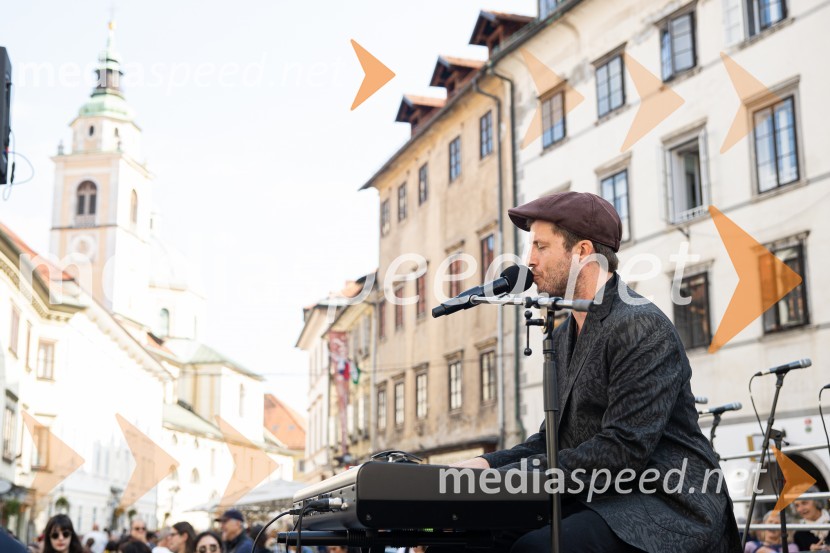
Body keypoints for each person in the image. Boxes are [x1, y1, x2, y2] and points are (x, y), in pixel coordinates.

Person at [448, 192, 741, 552]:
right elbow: (551, 442)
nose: (530, 260)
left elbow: (622, 450)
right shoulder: (562, 335)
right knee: (466, 539)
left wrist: (505, 480)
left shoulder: (641, 326)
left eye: (541, 246)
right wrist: (483, 466)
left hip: (667, 504)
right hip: (601, 498)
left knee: (536, 548)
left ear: (582, 251)